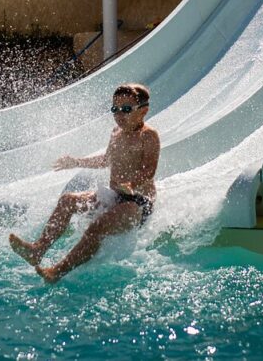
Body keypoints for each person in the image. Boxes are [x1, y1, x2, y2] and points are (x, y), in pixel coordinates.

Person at [9, 83, 160, 283]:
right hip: (115, 195)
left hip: (137, 201)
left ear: (143, 111)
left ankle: (56, 272)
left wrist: (131, 184)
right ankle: (37, 250)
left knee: (96, 228)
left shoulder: (148, 136)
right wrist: (76, 161)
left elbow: (149, 171)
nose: (119, 114)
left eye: (126, 109)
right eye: (115, 109)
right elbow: (106, 160)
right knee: (67, 200)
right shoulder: (116, 132)